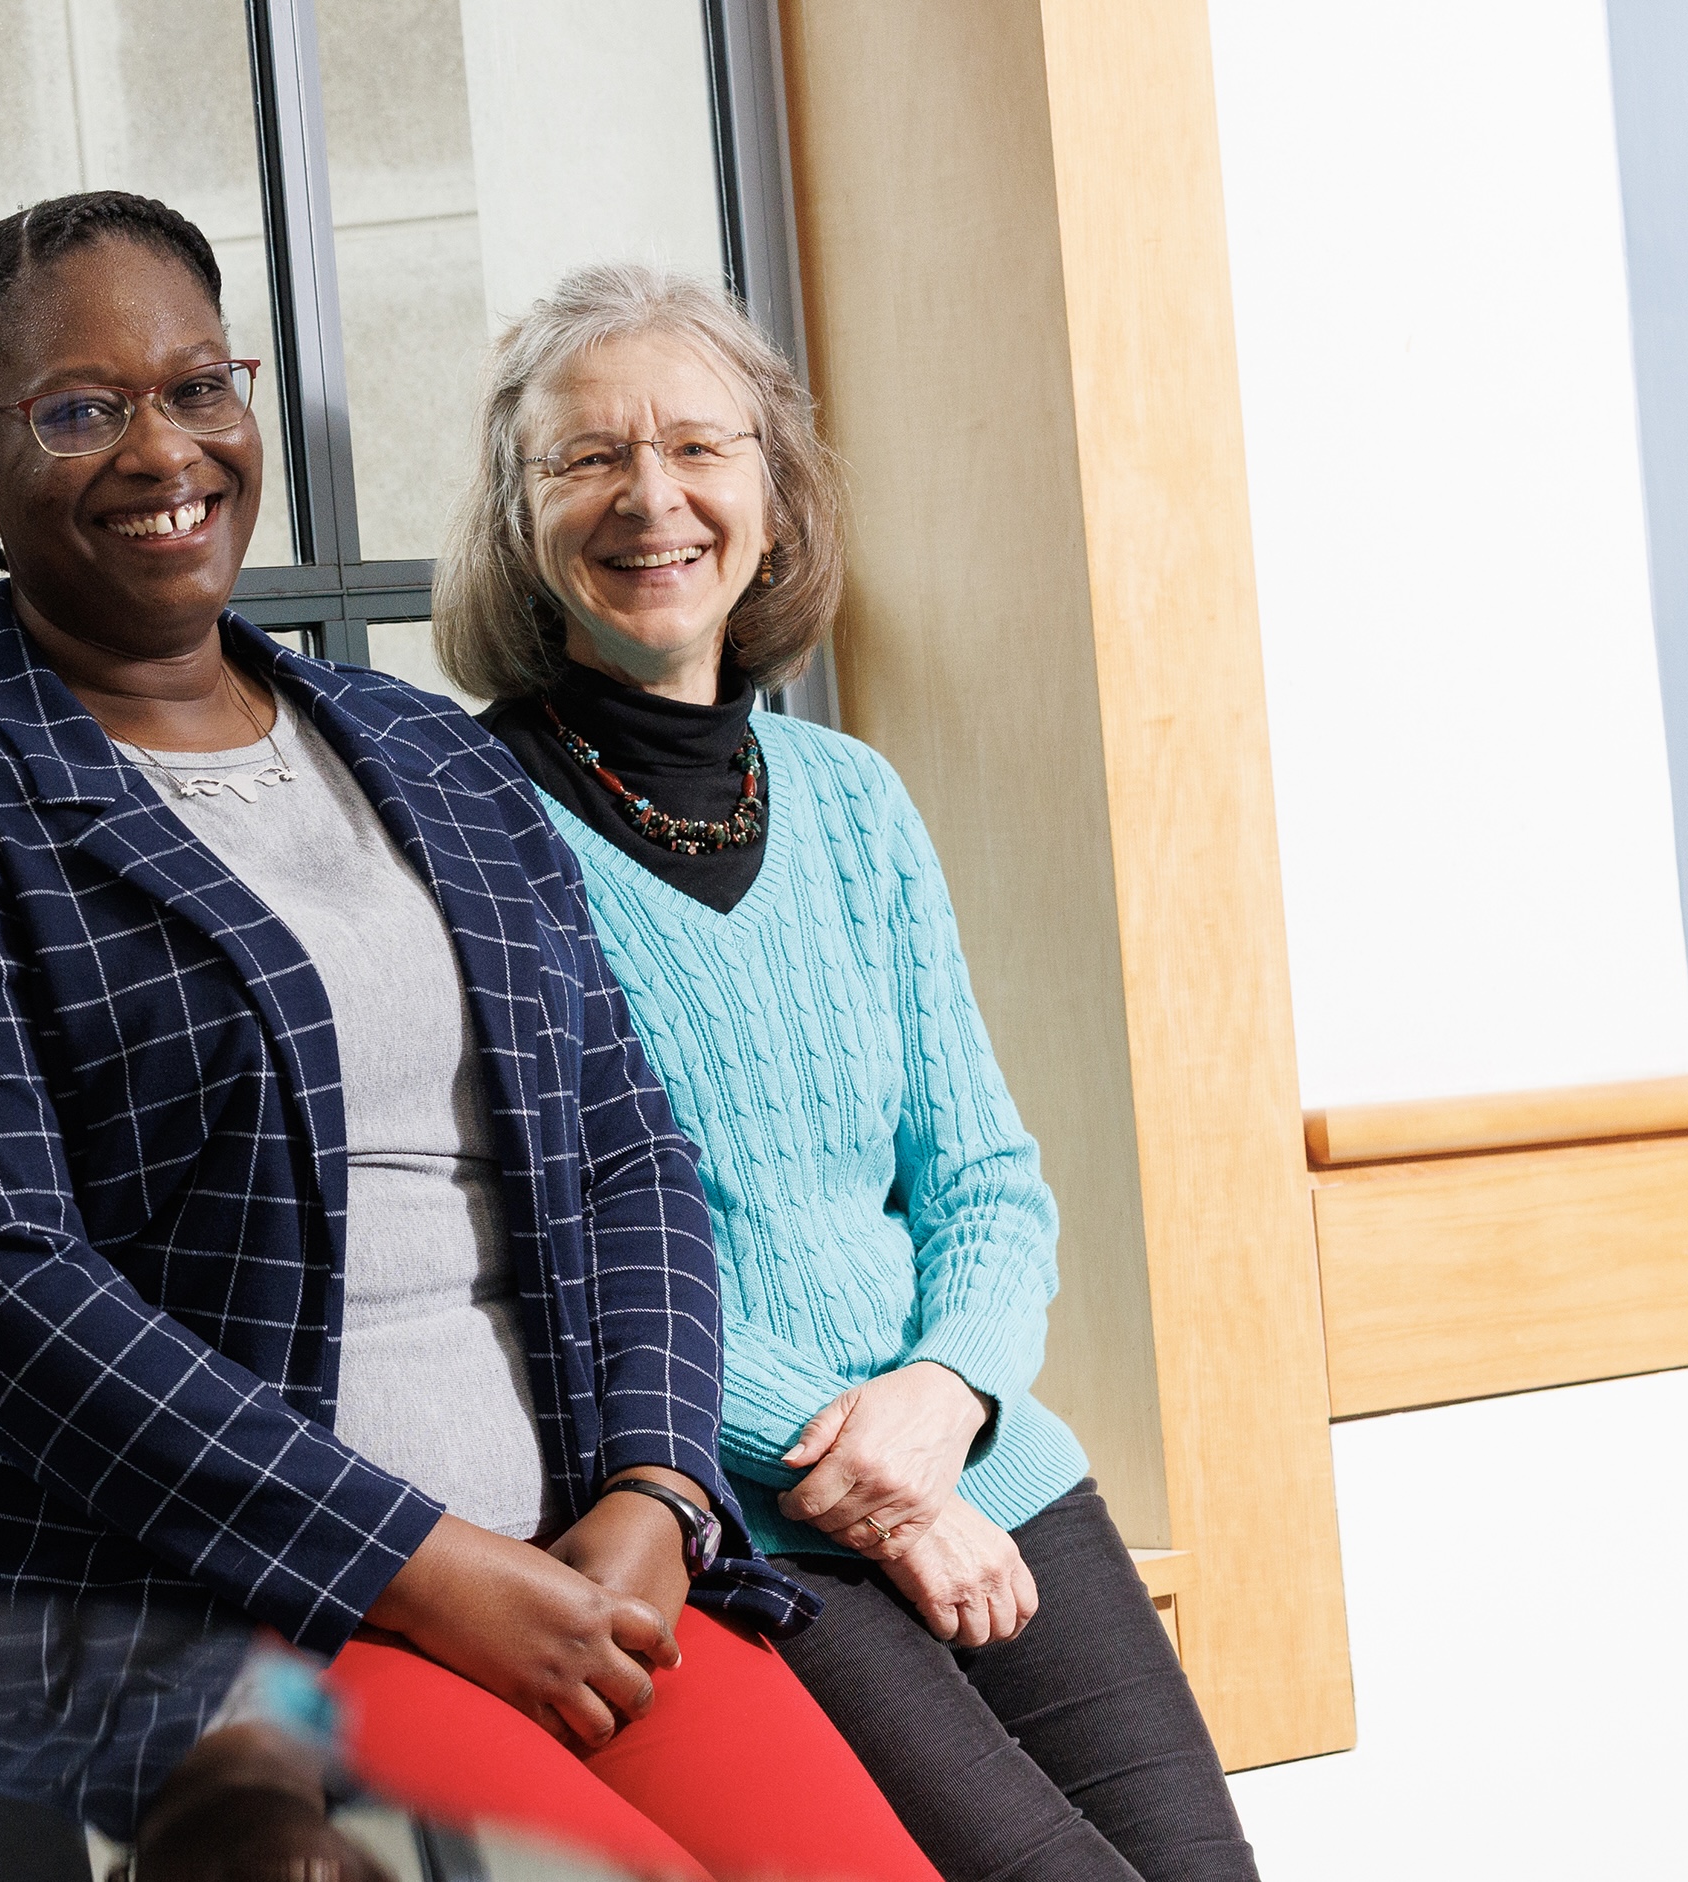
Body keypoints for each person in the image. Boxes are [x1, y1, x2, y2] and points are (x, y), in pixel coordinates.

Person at [0, 191, 936, 1881]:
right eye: (78, 410)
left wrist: (658, 1492)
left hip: (568, 1556)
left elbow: (624, 1144)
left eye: (196, 386)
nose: (160, 449)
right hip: (186, 1599)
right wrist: (423, 1567)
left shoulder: (424, 752)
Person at [435, 263, 1260, 1882]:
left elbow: (984, 1178)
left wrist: (942, 1397)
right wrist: (867, 1481)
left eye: (698, 446)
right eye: (587, 456)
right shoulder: (462, 824)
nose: (651, 497)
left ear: (773, 489)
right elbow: (543, 1253)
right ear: (516, 516)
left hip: (972, 1443)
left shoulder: (852, 798)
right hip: (727, 1509)